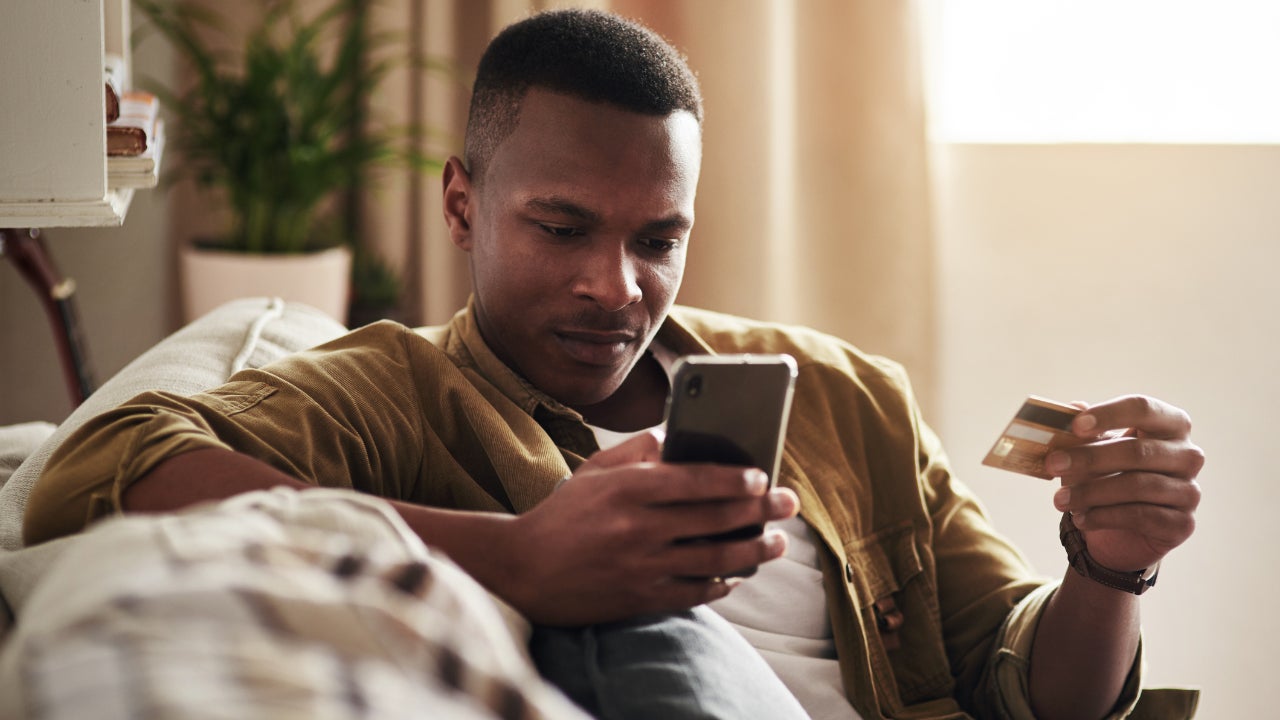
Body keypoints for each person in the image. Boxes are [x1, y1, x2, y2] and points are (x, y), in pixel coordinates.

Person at [23, 8, 1203, 720]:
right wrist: (516, 560)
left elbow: (1029, 688)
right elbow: (101, 469)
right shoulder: (391, 391)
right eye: (560, 228)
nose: (615, 286)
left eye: (657, 240)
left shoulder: (845, 393)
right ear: (460, 204)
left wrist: (1106, 570)